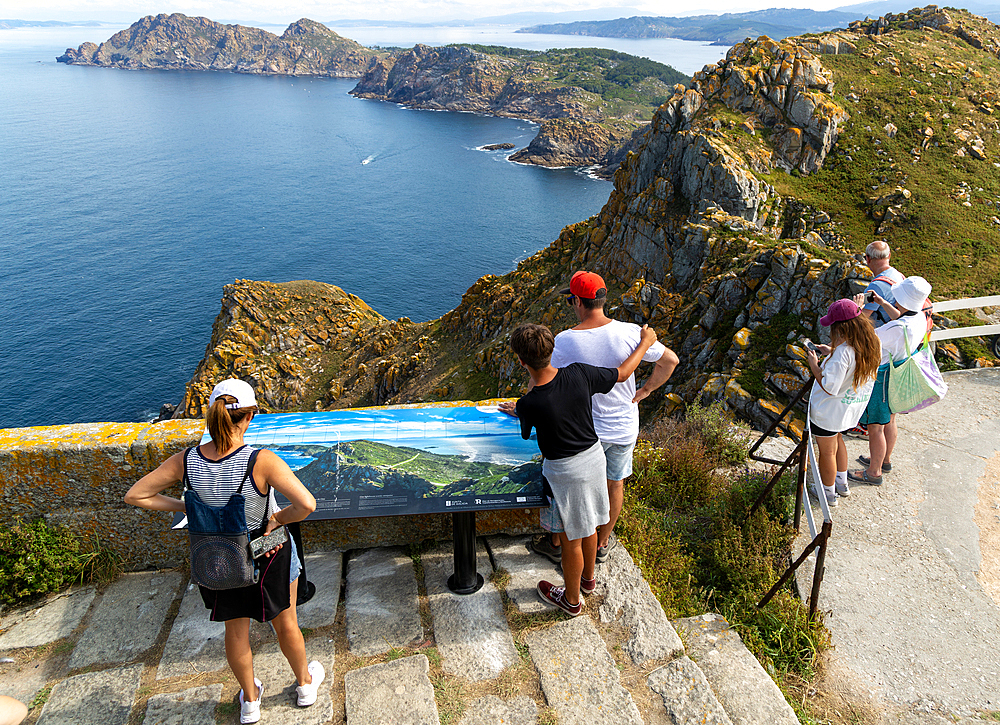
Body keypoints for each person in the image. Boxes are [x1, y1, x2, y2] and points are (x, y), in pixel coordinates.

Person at [125, 379, 324, 724]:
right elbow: (306, 504)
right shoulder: (260, 461)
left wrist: (187, 506)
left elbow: (136, 495)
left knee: (235, 631)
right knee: (286, 622)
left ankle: (250, 701)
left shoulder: (185, 460)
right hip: (266, 551)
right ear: (250, 416)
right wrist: (276, 518)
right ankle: (305, 685)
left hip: (218, 557)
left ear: (211, 416)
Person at [520, 271, 679, 566]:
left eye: (571, 300)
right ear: (603, 299)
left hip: (582, 431)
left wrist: (524, 404)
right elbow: (670, 360)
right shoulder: (632, 332)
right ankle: (602, 542)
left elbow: (541, 379)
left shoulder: (565, 341)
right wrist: (645, 391)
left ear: (578, 301)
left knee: (564, 486)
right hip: (623, 427)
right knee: (615, 484)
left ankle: (556, 541)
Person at [505, 322, 657, 616]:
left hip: (565, 471)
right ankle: (588, 580)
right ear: (552, 350)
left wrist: (520, 407)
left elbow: (527, 431)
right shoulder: (579, 373)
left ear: (522, 361)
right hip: (594, 457)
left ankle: (571, 601)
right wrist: (646, 342)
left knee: (572, 538)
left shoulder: (529, 403)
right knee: (590, 527)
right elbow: (623, 373)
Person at [850, 276, 934, 486]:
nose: (894, 300)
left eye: (897, 298)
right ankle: (884, 460)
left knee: (875, 425)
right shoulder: (919, 318)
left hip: (882, 377)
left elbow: (865, 337)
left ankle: (874, 472)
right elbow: (901, 316)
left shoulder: (895, 330)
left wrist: (858, 312)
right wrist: (882, 303)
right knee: (891, 419)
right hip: (897, 372)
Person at [805, 297, 881, 507]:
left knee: (826, 452)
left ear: (841, 327)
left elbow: (830, 387)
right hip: (848, 410)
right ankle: (842, 484)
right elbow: (852, 364)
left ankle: (827, 494)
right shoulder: (871, 342)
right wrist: (831, 352)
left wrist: (815, 366)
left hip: (828, 413)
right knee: (838, 442)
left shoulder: (843, 354)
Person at [848, 241, 904, 438]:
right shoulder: (898, 276)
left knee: (866, 383)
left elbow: (865, 318)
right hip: (897, 345)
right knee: (888, 406)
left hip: (879, 345)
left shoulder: (877, 285)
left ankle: (862, 424)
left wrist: (856, 309)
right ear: (889, 257)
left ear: (868, 259)